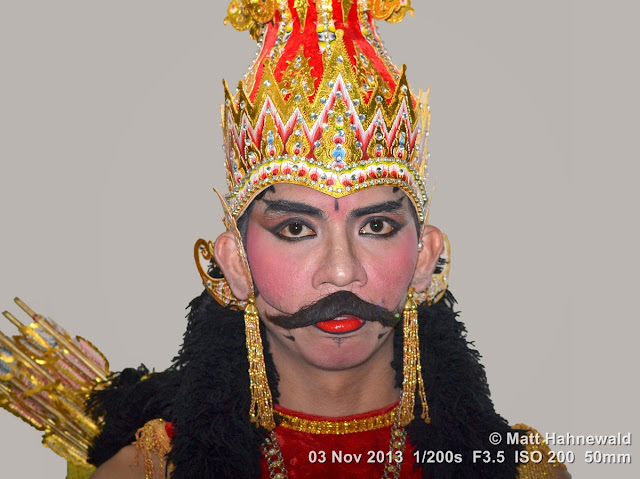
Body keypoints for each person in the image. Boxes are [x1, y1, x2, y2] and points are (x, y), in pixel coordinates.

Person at [2, 1, 571, 478]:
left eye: (376, 226)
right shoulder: (150, 470)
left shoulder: (519, 471)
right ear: (233, 262)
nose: (343, 272)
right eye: (296, 229)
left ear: (426, 257)